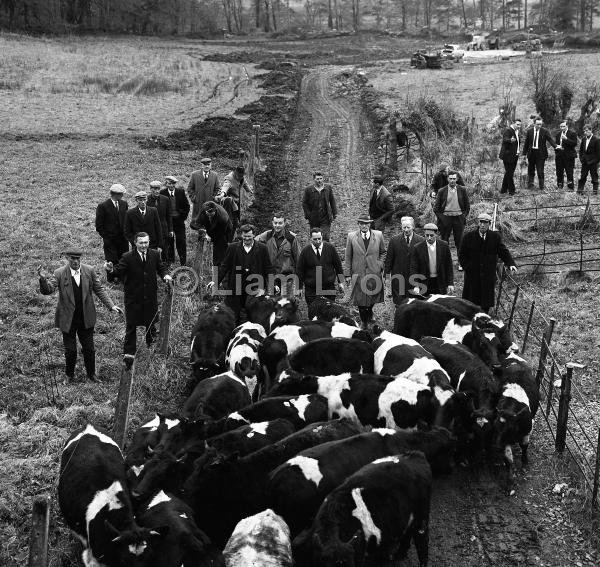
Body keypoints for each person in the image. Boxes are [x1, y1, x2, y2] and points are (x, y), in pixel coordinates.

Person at [38, 248, 122, 383]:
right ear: (67, 258)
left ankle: (92, 374)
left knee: (89, 349)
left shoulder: (89, 270)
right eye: (72, 259)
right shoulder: (59, 273)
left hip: (85, 317)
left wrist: (111, 305)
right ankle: (69, 375)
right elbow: (48, 290)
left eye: (78, 259)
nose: (76, 261)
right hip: (68, 319)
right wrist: (43, 280)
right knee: (70, 350)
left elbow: (99, 289)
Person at [105, 232, 172, 366]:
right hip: (133, 299)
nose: (144, 245)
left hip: (150, 297)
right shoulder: (128, 257)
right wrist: (111, 270)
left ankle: (151, 348)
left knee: (150, 324)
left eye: (146, 242)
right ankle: (129, 354)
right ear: (135, 243)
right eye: (141, 243)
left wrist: (166, 275)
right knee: (131, 327)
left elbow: (161, 267)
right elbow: (119, 270)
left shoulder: (154, 254)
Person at [214, 224, 274, 324]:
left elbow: (268, 268)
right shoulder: (232, 248)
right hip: (236, 290)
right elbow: (224, 266)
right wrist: (215, 281)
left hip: (255, 289)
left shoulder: (262, 249)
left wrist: (273, 284)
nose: (246, 239)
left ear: (254, 235)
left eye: (249, 237)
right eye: (244, 237)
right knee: (234, 317)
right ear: (241, 235)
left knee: (255, 318)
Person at [458, 213, 517, 313]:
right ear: (478, 223)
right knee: (471, 301)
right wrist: (468, 267)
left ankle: (484, 319)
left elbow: (503, 251)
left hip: (488, 275)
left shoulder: (495, 237)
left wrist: (510, 263)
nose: (482, 225)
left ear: (489, 224)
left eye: (485, 223)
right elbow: (462, 254)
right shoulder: (468, 237)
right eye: (481, 222)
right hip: (472, 275)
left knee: (485, 302)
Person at [344, 214, 386, 328]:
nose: (364, 226)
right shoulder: (351, 236)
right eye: (361, 223)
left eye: (366, 223)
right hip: (358, 273)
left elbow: (383, 252)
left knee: (372, 296)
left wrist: (380, 264)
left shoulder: (378, 235)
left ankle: (370, 311)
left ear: (370, 224)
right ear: (358, 224)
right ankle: (364, 321)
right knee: (360, 299)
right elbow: (348, 256)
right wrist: (347, 274)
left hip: (374, 272)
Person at [255, 211, 300, 297]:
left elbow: (298, 258)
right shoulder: (267, 235)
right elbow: (253, 242)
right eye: (275, 223)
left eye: (280, 223)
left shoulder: (291, 238)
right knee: (272, 303)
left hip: (287, 277)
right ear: (272, 223)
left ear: (284, 223)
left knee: (286, 303)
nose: (277, 225)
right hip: (271, 277)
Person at [297, 227, 344, 305]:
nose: (318, 241)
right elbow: (300, 270)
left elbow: (338, 266)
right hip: (311, 289)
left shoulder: (330, 248)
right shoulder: (305, 251)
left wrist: (341, 282)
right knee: (314, 314)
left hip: (328, 287)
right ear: (310, 239)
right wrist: (299, 287)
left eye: (319, 238)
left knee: (329, 312)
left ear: (322, 236)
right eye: (315, 239)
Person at [384, 216, 424, 304]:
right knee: (399, 304)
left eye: (408, 227)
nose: (406, 230)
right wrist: (387, 278)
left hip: (414, 278)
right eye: (404, 227)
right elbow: (388, 261)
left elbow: (423, 262)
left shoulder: (421, 240)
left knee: (414, 304)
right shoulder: (394, 240)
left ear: (413, 227)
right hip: (398, 278)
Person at [95, 183, 129, 283]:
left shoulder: (124, 204)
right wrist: (106, 237)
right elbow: (99, 225)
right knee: (111, 259)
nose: (122, 196)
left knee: (123, 258)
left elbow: (126, 220)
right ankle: (111, 279)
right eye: (121, 194)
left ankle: (122, 278)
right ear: (114, 194)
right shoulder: (103, 206)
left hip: (123, 239)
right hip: (110, 239)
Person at [433, 170, 470, 261]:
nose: (452, 180)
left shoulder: (462, 189)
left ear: (457, 179)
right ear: (447, 179)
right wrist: (443, 219)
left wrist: (463, 216)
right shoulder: (442, 191)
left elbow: (467, 206)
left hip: (459, 218)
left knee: (459, 241)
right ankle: (445, 261)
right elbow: (436, 208)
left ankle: (460, 262)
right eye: (450, 179)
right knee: (444, 241)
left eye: (454, 179)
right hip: (446, 218)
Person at [410, 223, 454, 296]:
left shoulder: (444, 246)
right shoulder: (417, 248)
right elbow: (414, 268)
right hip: (424, 283)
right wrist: (415, 285)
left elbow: (449, 266)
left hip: (440, 282)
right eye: (427, 235)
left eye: (431, 235)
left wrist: (450, 283)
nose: (429, 238)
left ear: (436, 234)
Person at [160, 175, 190, 266]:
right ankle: (170, 261)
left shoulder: (180, 192)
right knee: (169, 241)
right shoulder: (162, 193)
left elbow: (187, 206)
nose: (171, 185)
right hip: (168, 222)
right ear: (166, 184)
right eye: (169, 183)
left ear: (175, 184)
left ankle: (183, 261)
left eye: (173, 183)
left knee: (181, 240)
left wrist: (182, 217)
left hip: (179, 221)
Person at [195, 200, 234, 266]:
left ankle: (222, 266)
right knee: (203, 236)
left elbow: (220, 234)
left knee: (220, 248)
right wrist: (205, 233)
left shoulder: (223, 218)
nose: (209, 215)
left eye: (211, 214)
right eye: (207, 213)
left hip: (224, 230)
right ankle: (199, 262)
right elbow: (198, 223)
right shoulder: (204, 209)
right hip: (210, 227)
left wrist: (211, 238)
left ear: (215, 210)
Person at [522, 116, 556, 190]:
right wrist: (524, 154)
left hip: (541, 154)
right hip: (531, 153)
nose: (539, 126)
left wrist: (556, 146)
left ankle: (541, 187)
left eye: (540, 124)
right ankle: (530, 185)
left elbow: (550, 139)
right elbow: (526, 144)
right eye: (537, 124)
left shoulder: (545, 131)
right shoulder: (529, 131)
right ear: (534, 123)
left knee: (540, 171)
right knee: (531, 170)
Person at [302, 172, 337, 241]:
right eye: (317, 179)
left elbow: (332, 201)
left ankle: (325, 250)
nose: (319, 180)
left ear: (323, 179)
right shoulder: (308, 189)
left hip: (325, 217)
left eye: (321, 178)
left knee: (325, 236)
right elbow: (304, 203)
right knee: (315, 236)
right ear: (314, 179)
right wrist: (308, 215)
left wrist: (334, 213)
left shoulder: (328, 188)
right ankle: (315, 250)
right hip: (313, 217)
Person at [188, 157, 220, 229]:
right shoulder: (194, 174)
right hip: (198, 203)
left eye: (208, 164)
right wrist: (194, 198)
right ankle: (200, 236)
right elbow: (190, 188)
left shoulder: (215, 175)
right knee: (198, 221)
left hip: (210, 202)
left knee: (210, 220)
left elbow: (217, 188)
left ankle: (209, 236)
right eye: (204, 165)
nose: (206, 166)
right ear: (201, 165)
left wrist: (214, 198)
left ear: (211, 165)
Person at [216, 165, 251, 230]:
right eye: (239, 175)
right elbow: (225, 186)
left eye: (242, 175)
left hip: (238, 204)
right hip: (230, 204)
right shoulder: (229, 178)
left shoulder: (242, 178)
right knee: (231, 221)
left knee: (236, 222)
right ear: (235, 173)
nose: (240, 177)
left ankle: (233, 233)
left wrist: (250, 191)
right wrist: (222, 194)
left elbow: (245, 184)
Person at [147, 181, 173, 262]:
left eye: (158, 189)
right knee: (152, 250)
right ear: (150, 189)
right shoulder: (146, 200)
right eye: (154, 189)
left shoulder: (165, 199)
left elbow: (169, 216)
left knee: (164, 249)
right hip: (151, 229)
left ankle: (165, 266)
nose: (157, 191)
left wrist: (170, 229)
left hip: (163, 229)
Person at [498, 118, 522, 195]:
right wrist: (510, 140)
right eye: (517, 124)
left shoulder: (517, 131)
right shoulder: (508, 130)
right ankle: (512, 190)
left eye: (520, 125)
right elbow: (505, 139)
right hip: (507, 156)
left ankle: (503, 189)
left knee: (509, 173)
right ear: (513, 123)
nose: (519, 126)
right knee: (509, 173)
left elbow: (517, 143)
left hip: (515, 155)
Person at [554, 120, 578, 191]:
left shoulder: (572, 133)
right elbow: (556, 144)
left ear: (567, 126)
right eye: (561, 126)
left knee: (569, 172)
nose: (562, 128)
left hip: (569, 156)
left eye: (563, 126)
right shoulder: (558, 134)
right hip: (559, 156)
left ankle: (570, 187)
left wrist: (566, 139)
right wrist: (557, 150)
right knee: (559, 172)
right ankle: (559, 186)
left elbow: (574, 143)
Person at [577, 124, 600, 195]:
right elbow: (581, 151)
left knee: (594, 177)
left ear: (590, 130)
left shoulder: (596, 139)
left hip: (593, 163)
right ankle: (580, 191)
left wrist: (595, 162)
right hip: (585, 162)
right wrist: (581, 159)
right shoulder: (584, 139)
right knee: (582, 177)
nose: (585, 132)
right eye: (584, 131)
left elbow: (598, 153)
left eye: (586, 130)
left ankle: (595, 192)